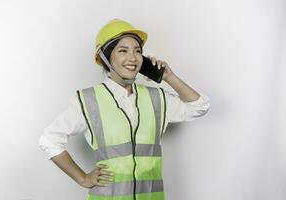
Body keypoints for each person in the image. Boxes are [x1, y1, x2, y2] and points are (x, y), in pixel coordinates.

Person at [39, 18, 210, 200]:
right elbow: (49, 140)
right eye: (123, 51)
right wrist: (83, 179)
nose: (133, 57)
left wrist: (169, 77)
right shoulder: (87, 101)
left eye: (138, 51)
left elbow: (199, 106)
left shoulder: (157, 98)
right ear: (105, 58)